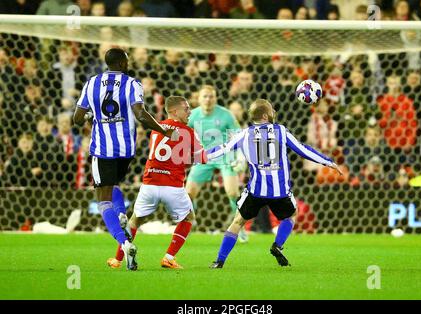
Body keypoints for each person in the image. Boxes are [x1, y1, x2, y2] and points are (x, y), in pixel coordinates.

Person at [73, 48, 176, 271]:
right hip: (126, 150)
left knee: (103, 200)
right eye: (126, 61)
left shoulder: (91, 83)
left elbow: (77, 119)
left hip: (102, 150)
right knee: (115, 186)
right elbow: (141, 114)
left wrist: (91, 115)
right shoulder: (132, 84)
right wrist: (163, 130)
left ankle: (125, 242)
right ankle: (121, 214)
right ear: (121, 64)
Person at [208, 99, 342, 269]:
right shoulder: (280, 131)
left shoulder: (244, 134)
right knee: (291, 216)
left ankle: (219, 260)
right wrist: (328, 162)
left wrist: (198, 156)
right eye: (271, 109)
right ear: (265, 115)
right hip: (280, 191)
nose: (274, 112)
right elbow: (303, 149)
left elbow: (222, 149)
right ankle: (277, 245)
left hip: (256, 190)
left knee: (237, 222)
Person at [107, 96, 206, 270]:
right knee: (188, 217)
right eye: (186, 108)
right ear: (174, 111)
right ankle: (168, 257)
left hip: (150, 184)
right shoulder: (187, 131)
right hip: (172, 186)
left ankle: (117, 259)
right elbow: (201, 158)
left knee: (134, 221)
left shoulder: (156, 129)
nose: (190, 112)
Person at [185, 85, 249, 242]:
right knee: (188, 194)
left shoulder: (226, 115)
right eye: (205, 96)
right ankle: (186, 225)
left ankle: (238, 226)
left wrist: (240, 157)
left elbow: (239, 136)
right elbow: (183, 133)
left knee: (233, 193)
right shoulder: (192, 115)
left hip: (225, 157)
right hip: (204, 158)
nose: (208, 99)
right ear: (198, 98)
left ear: (216, 98)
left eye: (211, 96)